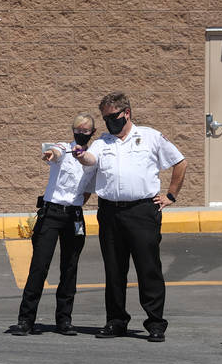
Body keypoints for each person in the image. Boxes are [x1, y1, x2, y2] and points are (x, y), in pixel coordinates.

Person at [72, 91, 186, 342]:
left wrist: (171, 195)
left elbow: (179, 162)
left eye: (113, 116)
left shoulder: (150, 137)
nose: (109, 122)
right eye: (105, 118)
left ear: (127, 113)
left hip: (142, 211)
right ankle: (116, 321)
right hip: (110, 212)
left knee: (148, 268)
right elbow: (90, 160)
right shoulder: (103, 142)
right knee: (114, 269)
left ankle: (155, 323)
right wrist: (81, 154)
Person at [10, 113, 97, 336]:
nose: (81, 133)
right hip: (52, 213)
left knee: (70, 268)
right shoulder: (63, 149)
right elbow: (54, 152)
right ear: (72, 131)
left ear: (92, 133)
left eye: (86, 130)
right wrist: (50, 153)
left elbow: (88, 190)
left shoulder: (92, 159)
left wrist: (75, 205)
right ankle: (25, 320)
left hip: (74, 216)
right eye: (77, 129)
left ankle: (64, 320)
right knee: (39, 266)